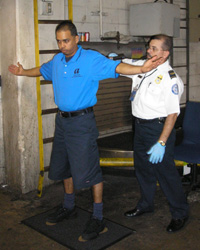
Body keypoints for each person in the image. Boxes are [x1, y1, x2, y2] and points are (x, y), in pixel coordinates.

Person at [8, 20, 161, 241]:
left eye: (66, 41)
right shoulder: (58, 61)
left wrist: (141, 68)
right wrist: (23, 72)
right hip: (62, 122)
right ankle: (68, 206)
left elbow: (116, 67)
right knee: (64, 166)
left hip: (82, 123)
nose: (62, 45)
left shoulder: (90, 59)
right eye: (59, 41)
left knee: (89, 169)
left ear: (76, 39)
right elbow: (42, 71)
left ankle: (98, 218)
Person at [122, 34, 189, 233]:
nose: (148, 51)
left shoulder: (170, 79)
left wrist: (161, 142)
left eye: (153, 48)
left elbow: (172, 114)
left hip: (158, 130)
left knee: (166, 174)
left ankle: (180, 213)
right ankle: (146, 204)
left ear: (165, 53)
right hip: (140, 127)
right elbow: (121, 64)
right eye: (149, 47)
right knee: (143, 169)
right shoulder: (143, 68)